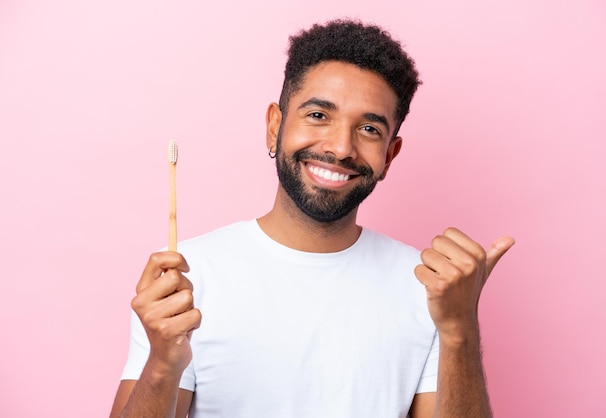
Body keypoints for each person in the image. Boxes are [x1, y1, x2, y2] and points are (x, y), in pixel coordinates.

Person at [110, 19, 514, 418]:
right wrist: (163, 365)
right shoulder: (185, 275)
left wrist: (459, 329)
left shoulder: (428, 287)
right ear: (275, 126)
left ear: (390, 155)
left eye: (370, 129)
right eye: (319, 115)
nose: (340, 148)